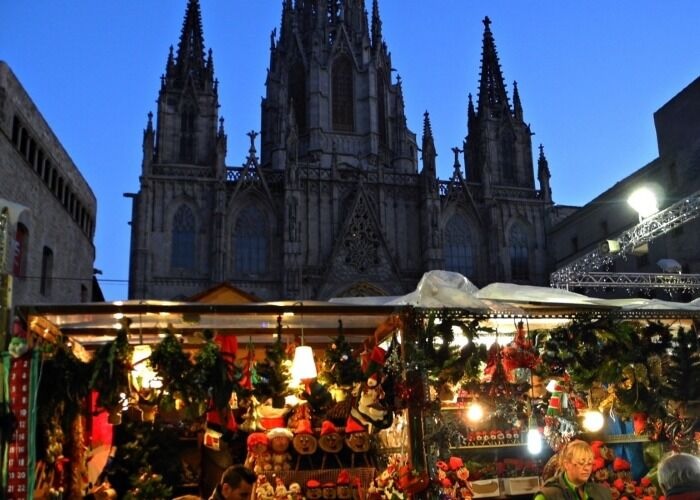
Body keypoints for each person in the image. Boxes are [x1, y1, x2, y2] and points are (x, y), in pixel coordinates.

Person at [534, 440, 612, 500]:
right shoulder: (547, 496)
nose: (587, 468)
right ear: (566, 464)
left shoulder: (603, 493)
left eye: (589, 463)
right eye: (581, 463)